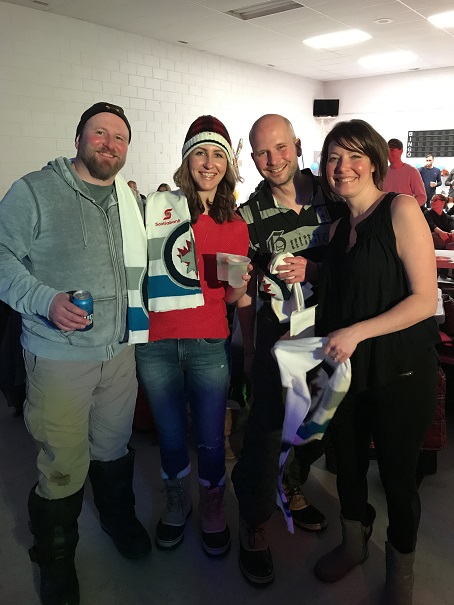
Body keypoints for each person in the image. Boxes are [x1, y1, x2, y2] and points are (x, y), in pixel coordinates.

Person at [0, 102, 151, 605]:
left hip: (119, 350)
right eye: (99, 133)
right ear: (78, 138)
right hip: (59, 355)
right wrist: (45, 300)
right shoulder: (34, 191)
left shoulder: (130, 201)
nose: (109, 143)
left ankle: (116, 517)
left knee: (113, 447)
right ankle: (56, 556)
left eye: (119, 137)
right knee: (62, 461)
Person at [313, 119, 439, 605]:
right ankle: (353, 543)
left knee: (397, 478)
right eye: (333, 158)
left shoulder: (400, 209)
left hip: (400, 371)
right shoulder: (338, 228)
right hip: (346, 372)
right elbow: (346, 291)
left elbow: (425, 299)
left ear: (374, 162)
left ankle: (401, 572)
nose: (342, 167)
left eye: (353, 156)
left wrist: (358, 332)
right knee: (346, 465)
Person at [231, 114, 347, 585]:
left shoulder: (335, 193)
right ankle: (254, 521)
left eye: (281, 147)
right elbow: (243, 291)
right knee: (265, 431)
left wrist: (314, 272)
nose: (273, 159)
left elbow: (358, 260)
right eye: (262, 152)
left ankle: (291, 485)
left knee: (318, 423)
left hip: (334, 334)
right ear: (252, 158)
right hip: (280, 339)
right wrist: (249, 349)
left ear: (297, 146)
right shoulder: (248, 215)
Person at [135, 116, 250, 557]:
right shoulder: (158, 210)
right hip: (157, 342)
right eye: (200, 152)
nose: (209, 162)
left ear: (227, 165)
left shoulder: (235, 224)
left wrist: (239, 284)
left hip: (207, 342)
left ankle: (213, 506)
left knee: (210, 437)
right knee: (168, 434)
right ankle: (177, 501)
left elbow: (232, 295)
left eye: (218, 154)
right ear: (187, 159)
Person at [383, 139, 426, 206]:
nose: (389, 153)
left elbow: (422, 197)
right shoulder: (383, 172)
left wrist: (406, 207)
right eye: (387, 150)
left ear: (401, 151)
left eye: (392, 150)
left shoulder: (412, 172)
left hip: (404, 211)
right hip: (386, 211)